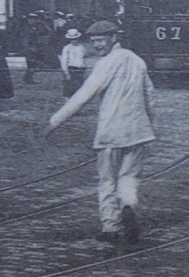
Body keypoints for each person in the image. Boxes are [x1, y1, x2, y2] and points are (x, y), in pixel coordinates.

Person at [47, 20, 156, 244]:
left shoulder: (105, 64)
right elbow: (150, 96)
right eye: (94, 41)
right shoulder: (137, 60)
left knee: (107, 180)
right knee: (129, 177)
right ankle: (128, 205)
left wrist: (54, 122)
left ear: (113, 38)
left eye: (100, 40)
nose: (97, 46)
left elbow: (84, 95)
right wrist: (150, 125)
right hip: (138, 132)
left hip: (110, 133)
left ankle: (110, 226)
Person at [59, 27, 88, 98]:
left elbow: (83, 58)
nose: (74, 41)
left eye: (76, 39)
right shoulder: (67, 48)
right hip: (71, 70)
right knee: (69, 88)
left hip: (80, 70)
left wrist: (84, 67)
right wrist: (66, 73)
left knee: (79, 88)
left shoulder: (81, 47)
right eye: (72, 39)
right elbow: (64, 61)